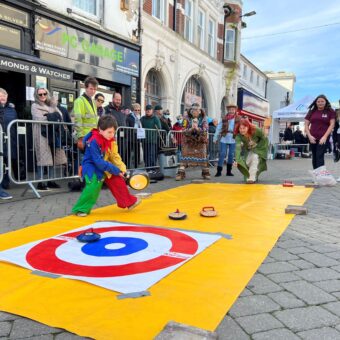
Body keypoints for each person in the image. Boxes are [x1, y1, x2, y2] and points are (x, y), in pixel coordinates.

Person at [71, 115, 140, 217]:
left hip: (105, 165)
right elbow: (97, 161)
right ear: (100, 130)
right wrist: (115, 169)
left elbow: (114, 156)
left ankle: (128, 202)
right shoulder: (93, 141)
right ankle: (81, 209)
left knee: (117, 180)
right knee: (93, 186)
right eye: (109, 132)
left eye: (113, 132)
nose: (112, 135)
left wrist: (122, 169)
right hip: (92, 166)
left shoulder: (111, 140)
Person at [31, 88, 67, 190]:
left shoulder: (50, 105)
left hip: (52, 134)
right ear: (36, 95)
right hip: (41, 134)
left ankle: (51, 181)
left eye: (44, 93)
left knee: (52, 157)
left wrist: (52, 108)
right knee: (42, 158)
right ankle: (40, 182)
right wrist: (52, 117)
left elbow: (60, 116)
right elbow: (39, 119)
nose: (42, 96)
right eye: (40, 94)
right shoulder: (35, 106)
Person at [175, 103, 210, 180]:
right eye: (193, 110)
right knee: (184, 156)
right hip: (188, 140)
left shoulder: (204, 118)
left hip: (200, 140)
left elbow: (206, 129)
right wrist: (191, 129)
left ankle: (205, 172)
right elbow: (183, 129)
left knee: (202, 155)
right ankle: (181, 173)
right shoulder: (186, 118)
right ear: (191, 111)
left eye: (197, 110)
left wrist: (198, 129)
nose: (195, 111)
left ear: (200, 111)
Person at [304, 94, 335, 169]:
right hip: (312, 138)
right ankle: (316, 176)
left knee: (319, 155)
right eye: (318, 101)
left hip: (323, 138)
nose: (320, 103)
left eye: (322, 101)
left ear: (326, 102)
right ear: (316, 102)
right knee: (314, 156)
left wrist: (325, 137)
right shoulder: (311, 111)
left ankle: (321, 176)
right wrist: (309, 136)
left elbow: (332, 125)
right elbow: (306, 125)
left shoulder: (330, 111)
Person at [233, 118, 268, 184]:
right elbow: (237, 148)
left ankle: (252, 178)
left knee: (255, 158)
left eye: (244, 128)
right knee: (246, 162)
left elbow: (264, 138)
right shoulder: (238, 136)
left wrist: (259, 145)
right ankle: (253, 175)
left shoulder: (256, 130)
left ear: (248, 126)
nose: (242, 130)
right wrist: (237, 160)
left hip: (260, 148)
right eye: (240, 128)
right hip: (249, 150)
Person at [0, 88, 17, 199]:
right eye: (0, 96)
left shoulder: (11, 109)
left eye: (4, 96)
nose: (2, 98)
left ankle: (4, 183)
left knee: (6, 162)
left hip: (9, 140)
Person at [213, 104, 238, 177]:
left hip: (233, 138)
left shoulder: (238, 119)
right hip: (224, 137)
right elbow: (218, 128)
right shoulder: (224, 118)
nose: (231, 111)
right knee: (222, 153)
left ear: (235, 110)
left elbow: (240, 128)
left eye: (233, 109)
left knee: (231, 154)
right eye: (230, 109)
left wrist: (241, 139)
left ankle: (229, 171)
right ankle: (219, 171)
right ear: (228, 110)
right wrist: (215, 137)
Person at [73, 77, 99, 144]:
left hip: (93, 136)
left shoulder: (93, 102)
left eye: (95, 89)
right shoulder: (79, 101)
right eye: (91, 88)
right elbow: (78, 120)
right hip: (85, 137)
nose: (93, 91)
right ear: (86, 88)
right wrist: (80, 137)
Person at [104, 92, 128, 164]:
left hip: (123, 138)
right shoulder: (107, 109)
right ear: (113, 99)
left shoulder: (123, 109)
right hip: (112, 138)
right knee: (113, 156)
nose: (118, 101)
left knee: (122, 156)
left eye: (119, 100)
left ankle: (121, 172)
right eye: (117, 100)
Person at [126, 103, 142, 169]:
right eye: (136, 110)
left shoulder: (140, 117)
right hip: (130, 137)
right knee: (128, 153)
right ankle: (127, 167)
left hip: (137, 138)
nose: (137, 111)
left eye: (138, 110)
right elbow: (127, 126)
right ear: (133, 110)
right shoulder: (129, 117)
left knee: (137, 153)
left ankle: (136, 167)